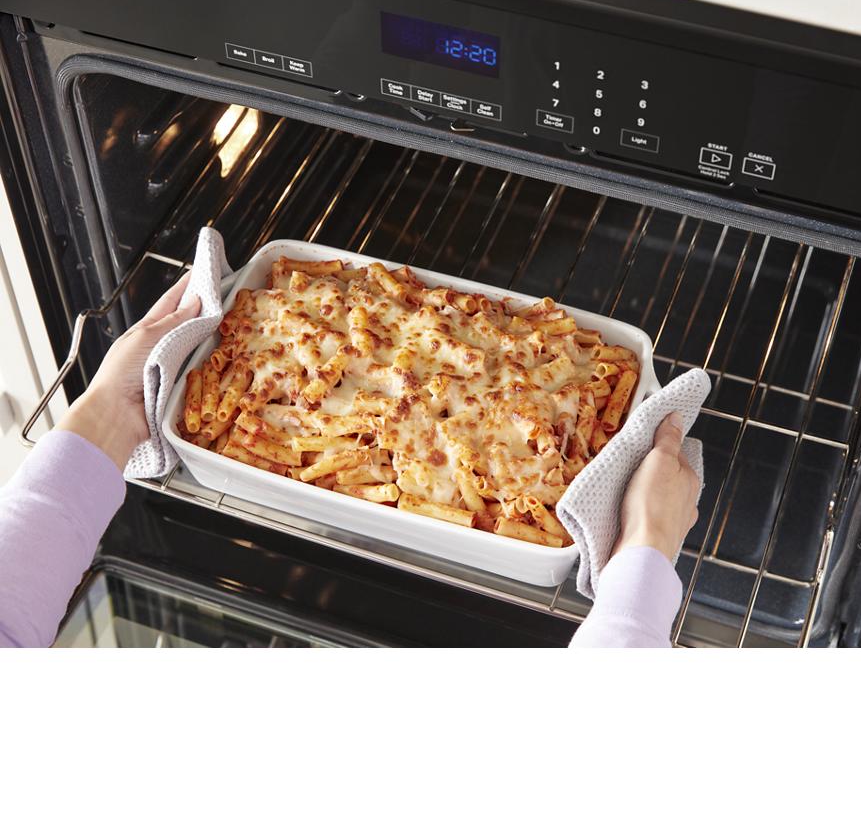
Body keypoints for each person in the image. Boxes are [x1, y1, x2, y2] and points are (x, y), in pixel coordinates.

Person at [0, 277, 700, 649]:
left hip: (497, 412)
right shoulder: (255, 352)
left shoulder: (588, 377)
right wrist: (645, 550)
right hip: (304, 389)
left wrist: (111, 411)